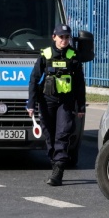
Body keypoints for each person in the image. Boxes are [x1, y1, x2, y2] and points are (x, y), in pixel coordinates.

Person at [26, 24, 86, 186]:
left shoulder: (73, 55)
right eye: (61, 37)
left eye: (67, 37)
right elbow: (34, 79)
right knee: (49, 134)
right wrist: (31, 103)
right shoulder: (45, 54)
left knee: (63, 133)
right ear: (54, 37)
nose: (64, 40)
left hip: (66, 103)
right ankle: (54, 161)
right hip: (47, 101)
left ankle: (58, 169)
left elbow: (79, 83)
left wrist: (81, 106)